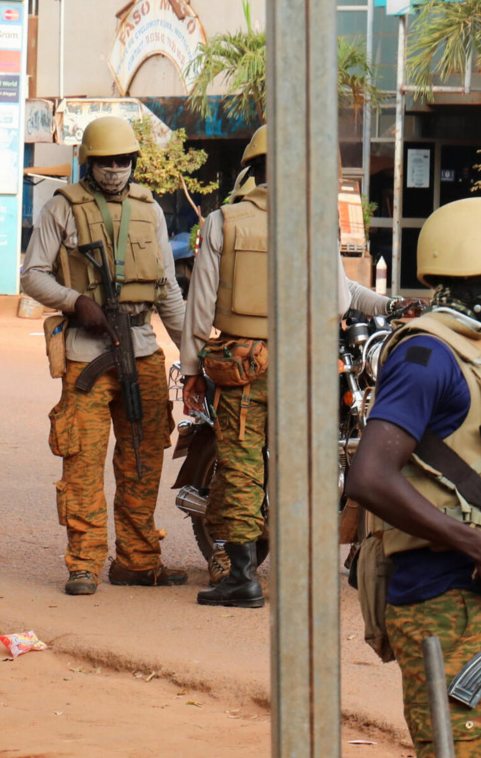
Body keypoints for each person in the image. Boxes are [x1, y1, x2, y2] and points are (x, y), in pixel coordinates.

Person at [345, 197, 481, 757]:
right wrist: (479, 548)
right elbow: (369, 476)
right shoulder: (429, 355)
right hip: (445, 598)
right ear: (475, 267)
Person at [180, 125, 359, 607]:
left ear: (251, 170)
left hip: (242, 366)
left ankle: (242, 578)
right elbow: (341, 300)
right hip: (304, 366)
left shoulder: (223, 221)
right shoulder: (316, 222)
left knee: (240, 466)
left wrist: (192, 368)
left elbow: (201, 303)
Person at [22, 116, 187, 596]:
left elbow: (168, 290)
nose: (115, 169)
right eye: (106, 161)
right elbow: (32, 274)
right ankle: (84, 562)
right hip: (86, 352)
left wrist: (192, 355)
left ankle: (137, 560)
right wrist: (77, 302)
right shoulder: (61, 208)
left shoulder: (149, 209)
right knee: (83, 460)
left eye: (123, 160)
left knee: (143, 458)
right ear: (89, 162)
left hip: (141, 347)